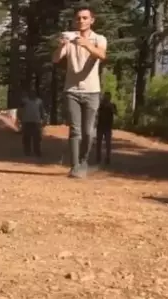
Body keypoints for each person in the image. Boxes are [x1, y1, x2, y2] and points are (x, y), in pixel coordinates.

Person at [52, 5, 107, 178]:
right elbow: (55, 59)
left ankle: (84, 161)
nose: (81, 21)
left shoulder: (99, 39)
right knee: (75, 130)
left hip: (92, 91)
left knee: (88, 131)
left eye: (84, 18)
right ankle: (75, 166)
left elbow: (102, 55)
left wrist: (87, 44)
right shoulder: (70, 38)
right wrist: (61, 45)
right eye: (78, 18)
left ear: (92, 20)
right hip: (72, 90)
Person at [17, 89, 47, 157]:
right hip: (26, 121)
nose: (32, 94)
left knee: (37, 137)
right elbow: (20, 109)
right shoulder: (24, 101)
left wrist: (44, 119)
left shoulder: (39, 101)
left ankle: (37, 151)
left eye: (33, 93)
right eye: (30, 93)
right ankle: (27, 151)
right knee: (26, 137)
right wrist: (20, 117)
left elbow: (42, 110)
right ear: (28, 94)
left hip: (36, 122)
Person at [95, 91, 117, 165]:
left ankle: (108, 158)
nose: (106, 98)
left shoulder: (112, 105)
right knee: (99, 143)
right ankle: (98, 157)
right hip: (100, 126)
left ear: (110, 98)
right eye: (105, 96)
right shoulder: (100, 105)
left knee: (108, 144)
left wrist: (110, 107)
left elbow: (115, 113)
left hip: (108, 127)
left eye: (108, 97)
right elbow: (96, 112)